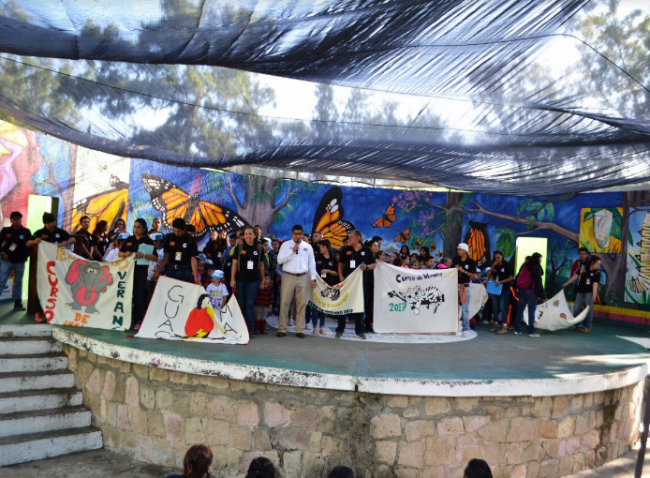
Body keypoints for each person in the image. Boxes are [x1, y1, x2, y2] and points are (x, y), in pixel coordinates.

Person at [27, 212, 75, 322]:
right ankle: (38, 312)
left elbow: (73, 240)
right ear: (44, 223)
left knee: (59, 287)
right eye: (48, 223)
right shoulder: (39, 232)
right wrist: (35, 241)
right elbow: (27, 243)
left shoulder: (60, 232)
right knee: (42, 288)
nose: (51, 224)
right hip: (43, 266)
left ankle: (57, 311)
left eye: (52, 222)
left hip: (58, 265)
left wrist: (64, 243)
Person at [276, 224, 318, 338]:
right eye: (295, 234)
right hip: (288, 276)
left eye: (300, 234)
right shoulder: (285, 245)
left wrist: (313, 278)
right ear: (292, 234)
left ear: (302, 234)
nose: (298, 236)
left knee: (302, 303)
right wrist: (292, 251)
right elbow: (279, 260)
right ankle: (282, 328)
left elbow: (312, 264)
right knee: (285, 302)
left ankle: (299, 329)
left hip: (303, 276)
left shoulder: (307, 247)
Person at [119, 218, 158, 330]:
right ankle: (126, 319)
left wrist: (144, 255)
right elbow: (119, 253)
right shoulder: (129, 239)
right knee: (126, 295)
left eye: (138, 227)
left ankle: (138, 320)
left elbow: (155, 257)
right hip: (127, 271)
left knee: (138, 297)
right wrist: (125, 253)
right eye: (134, 226)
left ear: (144, 228)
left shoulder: (148, 241)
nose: (136, 229)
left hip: (141, 272)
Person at [337, 230, 376, 339]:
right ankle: (340, 330)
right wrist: (340, 276)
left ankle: (359, 331)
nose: (349, 239)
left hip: (360, 283)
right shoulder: (346, 250)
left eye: (351, 238)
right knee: (343, 304)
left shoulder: (366, 250)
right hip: (347, 282)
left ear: (357, 239)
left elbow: (374, 264)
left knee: (359, 306)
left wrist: (367, 267)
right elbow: (340, 264)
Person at [231, 225, 265, 336]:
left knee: (249, 304)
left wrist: (263, 279)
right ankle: (238, 329)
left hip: (253, 281)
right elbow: (234, 264)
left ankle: (248, 330)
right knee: (240, 304)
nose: (248, 236)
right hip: (240, 280)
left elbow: (261, 265)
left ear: (255, 235)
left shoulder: (259, 248)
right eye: (246, 234)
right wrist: (232, 279)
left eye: (250, 234)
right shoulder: (239, 247)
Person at [0, 211, 31, 311]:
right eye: (15, 219)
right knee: (1, 281)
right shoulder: (5, 230)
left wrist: (25, 258)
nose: (17, 221)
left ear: (21, 220)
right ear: (11, 220)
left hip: (20, 262)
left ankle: (18, 303)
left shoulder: (26, 231)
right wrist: (3, 253)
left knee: (18, 283)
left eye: (19, 219)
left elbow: (30, 247)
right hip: (7, 261)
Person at [562, 257, 602, 333]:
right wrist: (566, 283)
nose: (598, 266)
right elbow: (575, 276)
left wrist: (594, 295)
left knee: (588, 309)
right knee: (577, 308)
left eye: (599, 264)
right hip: (580, 291)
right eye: (597, 264)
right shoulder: (583, 268)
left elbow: (595, 284)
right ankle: (576, 325)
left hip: (589, 293)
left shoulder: (597, 273)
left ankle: (587, 327)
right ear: (592, 262)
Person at [514, 252, 546, 337]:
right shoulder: (536, 269)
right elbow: (539, 283)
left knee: (520, 310)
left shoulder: (524, 266)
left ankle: (517, 329)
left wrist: (515, 287)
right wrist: (543, 295)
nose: (541, 261)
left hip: (521, 290)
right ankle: (531, 331)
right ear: (537, 259)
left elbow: (517, 277)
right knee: (531, 311)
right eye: (540, 259)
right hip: (531, 292)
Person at [159, 218, 199, 284]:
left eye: (179, 231)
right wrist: (159, 268)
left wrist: (195, 277)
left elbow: (193, 259)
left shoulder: (191, 240)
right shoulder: (169, 238)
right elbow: (167, 256)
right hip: (171, 269)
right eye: (174, 230)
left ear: (184, 228)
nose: (176, 233)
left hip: (185, 270)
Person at [313, 239, 339, 335]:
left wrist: (328, 271)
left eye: (323, 247)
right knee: (316, 306)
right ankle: (315, 326)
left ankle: (322, 326)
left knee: (324, 306)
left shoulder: (333, 259)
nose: (321, 248)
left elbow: (336, 273)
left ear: (327, 248)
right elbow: (313, 270)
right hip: (317, 285)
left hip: (328, 285)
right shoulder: (317, 258)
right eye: (320, 247)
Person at [453, 243, 478, 337]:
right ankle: (453, 327)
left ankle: (465, 329)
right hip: (455, 286)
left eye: (460, 249)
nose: (458, 251)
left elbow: (474, 275)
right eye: (458, 249)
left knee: (465, 309)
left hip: (465, 287)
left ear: (465, 251)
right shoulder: (456, 260)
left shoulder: (471, 262)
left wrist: (463, 271)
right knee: (454, 308)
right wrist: (455, 269)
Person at [486, 251, 513, 334]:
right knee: (495, 307)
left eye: (498, 257)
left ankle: (504, 327)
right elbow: (488, 275)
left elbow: (511, 277)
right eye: (495, 258)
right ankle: (495, 325)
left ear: (502, 256)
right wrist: (493, 266)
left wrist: (501, 282)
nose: (497, 259)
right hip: (495, 289)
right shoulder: (495, 266)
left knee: (503, 308)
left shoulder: (507, 265)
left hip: (504, 289)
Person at [146, 232, 165, 303]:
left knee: (158, 298)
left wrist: (158, 273)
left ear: (158, 242)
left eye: (152, 241)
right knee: (149, 297)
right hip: (149, 278)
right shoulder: (149, 250)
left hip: (159, 279)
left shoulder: (164, 252)